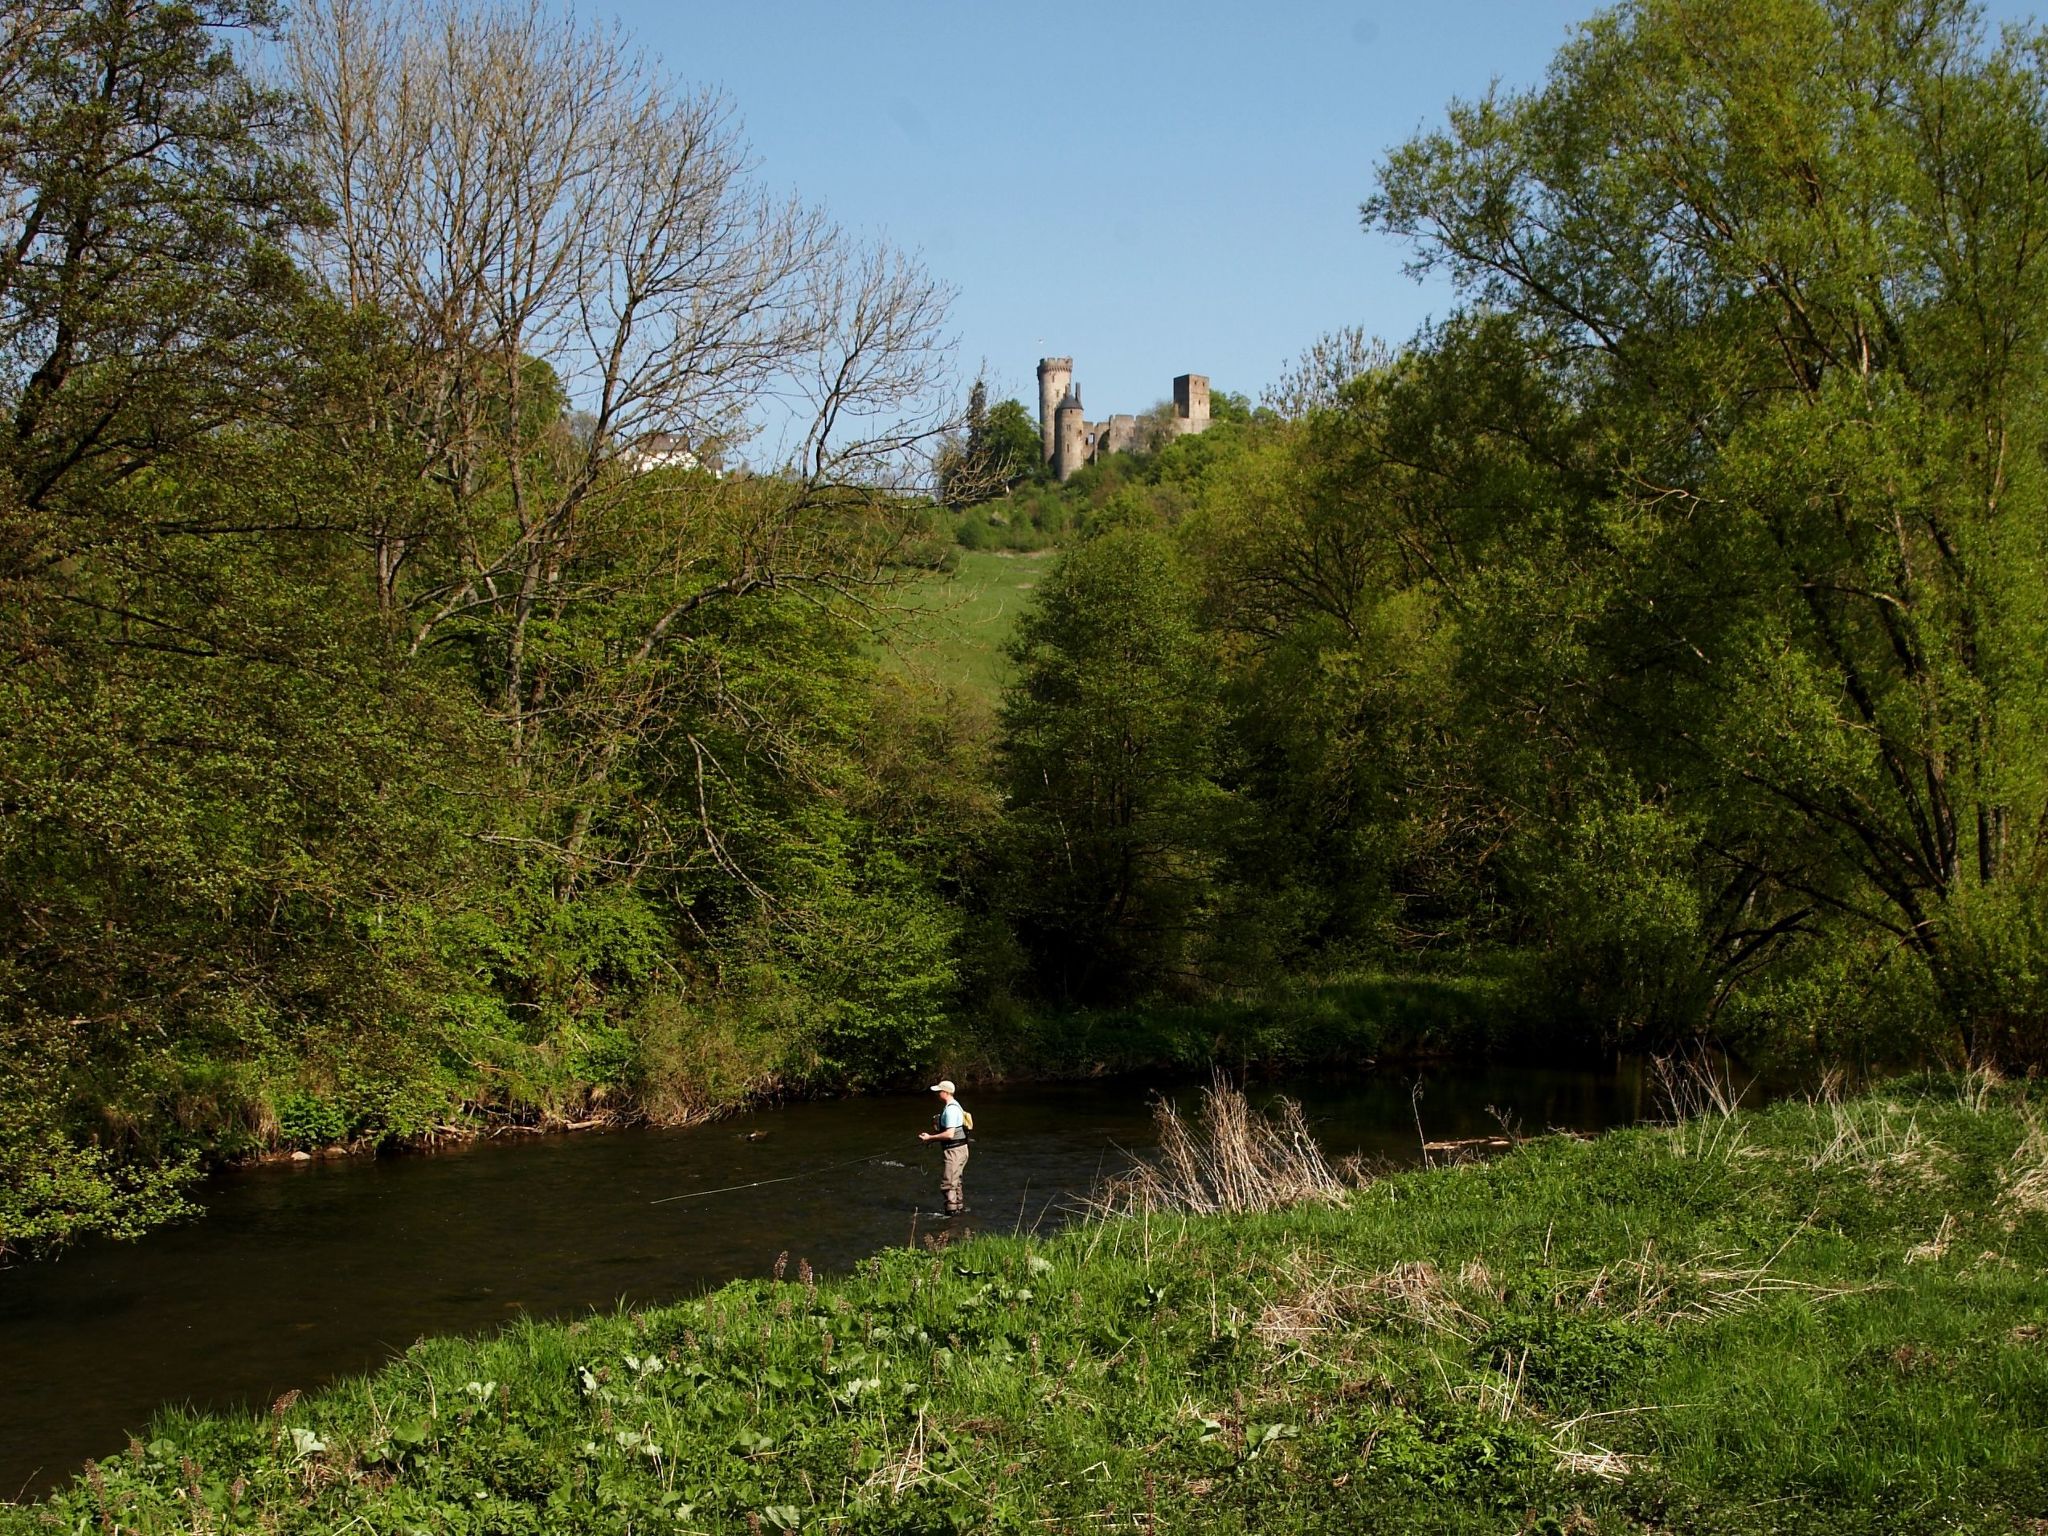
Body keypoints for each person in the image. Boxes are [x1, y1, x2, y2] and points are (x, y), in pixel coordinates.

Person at [917, 1079, 970, 1215]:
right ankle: (959, 1212)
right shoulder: (955, 1105)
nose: (937, 1094)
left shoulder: (951, 1110)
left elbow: (949, 1134)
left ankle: (951, 1216)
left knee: (948, 1183)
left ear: (945, 1092)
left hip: (954, 1151)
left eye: (939, 1091)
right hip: (960, 1149)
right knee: (956, 1181)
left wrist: (930, 1138)